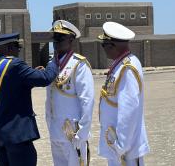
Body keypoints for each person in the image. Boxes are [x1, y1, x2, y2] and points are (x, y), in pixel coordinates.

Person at [0, 33, 58, 166]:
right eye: (17, 47)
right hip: (18, 135)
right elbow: (45, 79)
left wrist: (31, 74)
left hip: (1, 135)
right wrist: (53, 62)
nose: (19, 51)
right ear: (9, 48)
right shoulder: (15, 65)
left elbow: (12, 89)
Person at [97, 22, 150, 166]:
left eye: (104, 45)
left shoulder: (128, 68)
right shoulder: (120, 65)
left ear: (113, 45)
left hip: (125, 149)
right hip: (116, 143)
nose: (103, 49)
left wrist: (121, 145)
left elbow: (129, 109)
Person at [45, 20, 94, 166]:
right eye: (54, 38)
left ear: (71, 40)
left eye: (61, 38)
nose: (56, 42)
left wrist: (83, 133)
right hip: (55, 131)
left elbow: (87, 100)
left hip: (72, 132)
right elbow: (49, 100)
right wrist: (50, 125)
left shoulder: (79, 65)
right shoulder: (51, 65)